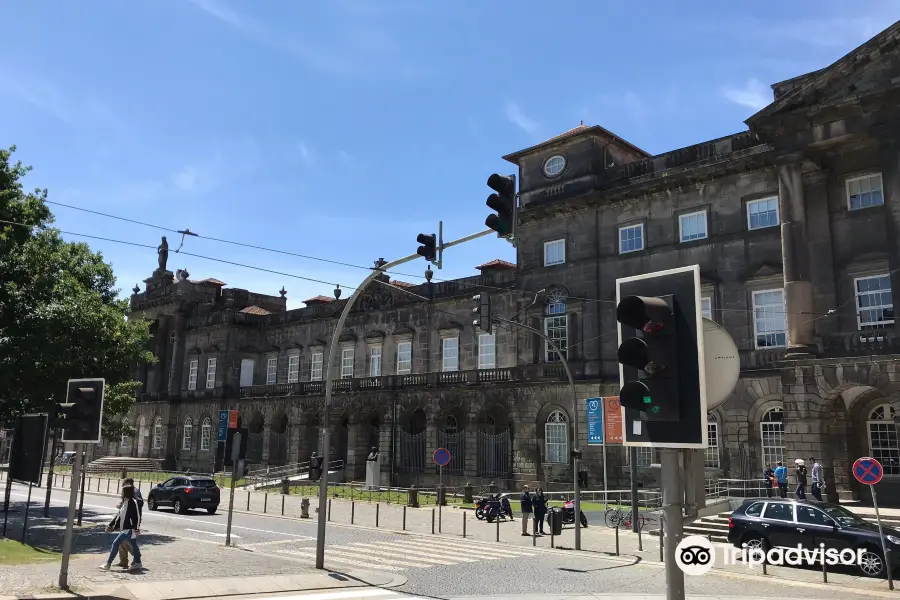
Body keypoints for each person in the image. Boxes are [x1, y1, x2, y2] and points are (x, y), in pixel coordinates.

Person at [102, 485, 142, 571]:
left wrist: (136, 529)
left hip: (128, 529)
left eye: (123, 492)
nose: (121, 493)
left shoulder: (132, 503)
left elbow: (136, 517)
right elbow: (119, 515)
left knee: (115, 543)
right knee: (133, 546)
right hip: (125, 529)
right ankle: (138, 562)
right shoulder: (125, 502)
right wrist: (110, 525)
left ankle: (108, 564)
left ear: (126, 493)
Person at [116, 478, 144, 568]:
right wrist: (122, 504)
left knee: (125, 540)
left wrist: (131, 507)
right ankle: (123, 561)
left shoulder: (135, 491)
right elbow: (127, 501)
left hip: (131, 522)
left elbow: (139, 502)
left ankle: (137, 556)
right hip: (125, 521)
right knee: (121, 541)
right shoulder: (129, 492)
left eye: (123, 484)